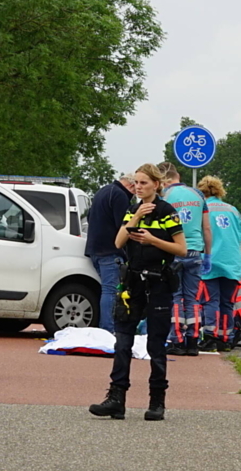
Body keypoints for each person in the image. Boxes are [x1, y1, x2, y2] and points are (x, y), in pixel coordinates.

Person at [89, 164, 186, 422]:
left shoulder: (167, 212)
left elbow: (182, 249)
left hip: (159, 283)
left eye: (144, 183)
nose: (138, 187)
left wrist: (152, 240)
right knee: (122, 341)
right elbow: (119, 242)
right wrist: (134, 218)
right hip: (133, 283)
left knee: (155, 343)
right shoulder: (133, 209)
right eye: (136, 183)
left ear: (157, 184)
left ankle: (157, 401)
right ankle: (116, 399)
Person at [160, 161, 213, 356]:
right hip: (195, 252)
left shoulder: (165, 197)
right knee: (193, 298)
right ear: (178, 177)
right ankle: (192, 341)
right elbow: (207, 228)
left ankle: (176, 341)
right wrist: (208, 254)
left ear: (165, 180)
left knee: (175, 297)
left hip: (174, 251)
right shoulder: (198, 195)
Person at [196, 176, 241, 351]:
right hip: (232, 262)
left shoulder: (202, 209)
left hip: (210, 260)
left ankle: (210, 336)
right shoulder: (233, 210)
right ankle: (226, 338)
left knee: (210, 301)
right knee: (227, 302)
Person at [84, 174, 135, 332]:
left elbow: (89, 216)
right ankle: (108, 328)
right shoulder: (120, 196)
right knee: (110, 290)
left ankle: (106, 326)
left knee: (106, 289)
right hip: (110, 250)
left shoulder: (103, 191)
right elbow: (124, 225)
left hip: (94, 249)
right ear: (131, 186)